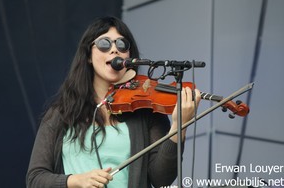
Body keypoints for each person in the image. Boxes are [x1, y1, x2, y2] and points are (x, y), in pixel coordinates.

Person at [26, 16, 201, 188]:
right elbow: (35, 179)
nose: (114, 50)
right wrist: (76, 180)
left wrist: (179, 127)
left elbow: (161, 179)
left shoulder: (145, 109)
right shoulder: (62, 112)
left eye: (122, 45)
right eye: (104, 44)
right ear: (88, 55)